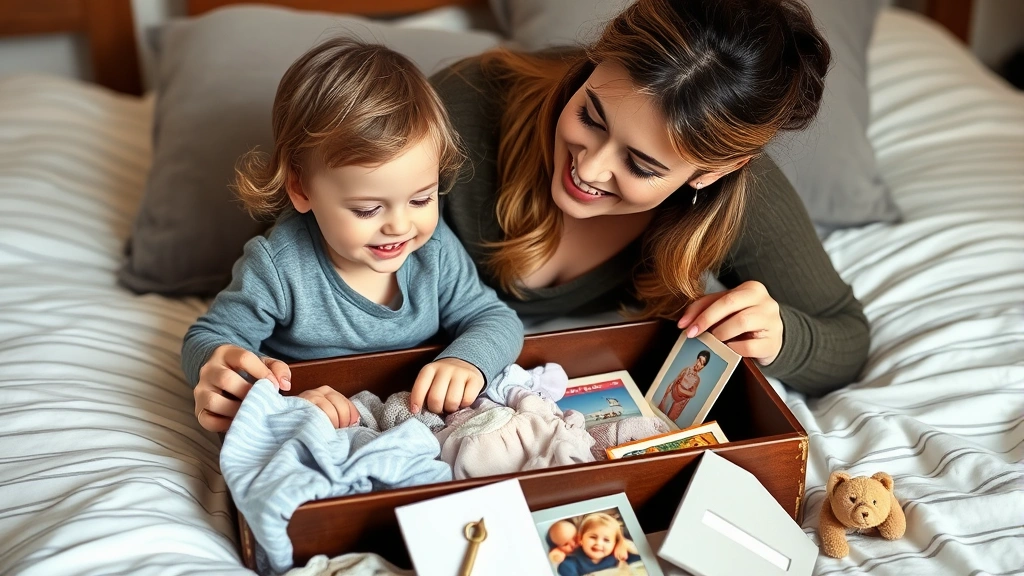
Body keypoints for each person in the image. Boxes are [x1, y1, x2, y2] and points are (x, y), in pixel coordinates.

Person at [432, 0, 869, 396]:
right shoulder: (463, 107)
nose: (587, 169)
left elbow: (846, 337)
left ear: (714, 171)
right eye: (590, 116)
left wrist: (780, 337)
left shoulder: (743, 201)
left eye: (641, 165)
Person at [182, 39, 524, 433]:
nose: (399, 225)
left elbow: (495, 318)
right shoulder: (278, 265)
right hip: (310, 415)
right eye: (367, 209)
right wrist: (228, 373)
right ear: (301, 189)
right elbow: (206, 338)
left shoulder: (435, 249)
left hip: (410, 417)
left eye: (421, 199)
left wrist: (467, 360)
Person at [555, 513, 642, 576]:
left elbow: (644, 555)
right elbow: (564, 569)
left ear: (615, 544)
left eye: (606, 540)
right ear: (580, 539)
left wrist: (623, 544)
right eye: (593, 537)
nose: (599, 543)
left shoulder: (618, 555)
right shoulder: (572, 562)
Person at [547, 518, 634, 565]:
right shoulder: (568, 555)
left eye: (574, 538)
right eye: (565, 544)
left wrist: (621, 542)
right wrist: (557, 554)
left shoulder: (591, 534)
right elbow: (554, 555)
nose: (573, 544)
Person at [658, 350, 710, 421]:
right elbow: (676, 380)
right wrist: (669, 389)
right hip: (673, 392)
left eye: (702, 363)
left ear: (703, 367)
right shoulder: (686, 370)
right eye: (699, 360)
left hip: (680, 401)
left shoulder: (697, 379)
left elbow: (692, 393)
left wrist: (682, 390)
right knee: (661, 410)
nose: (698, 364)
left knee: (670, 419)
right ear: (696, 359)